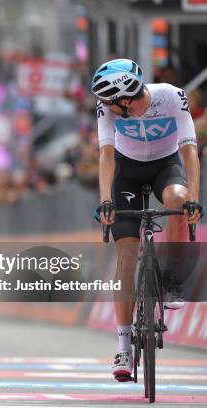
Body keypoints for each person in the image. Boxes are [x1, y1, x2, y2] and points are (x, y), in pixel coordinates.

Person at [92, 59, 201, 381]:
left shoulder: (171, 95)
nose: (105, 105)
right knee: (126, 255)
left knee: (178, 201)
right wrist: (106, 201)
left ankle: (173, 277)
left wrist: (194, 196)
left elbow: (190, 149)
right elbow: (106, 155)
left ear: (125, 100)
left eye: (110, 101)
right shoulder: (106, 110)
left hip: (166, 165)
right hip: (126, 171)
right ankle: (124, 346)